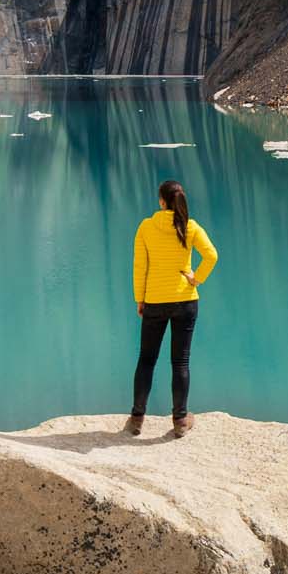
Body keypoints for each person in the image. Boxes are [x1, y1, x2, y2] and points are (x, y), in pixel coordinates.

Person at [124, 179, 217, 437]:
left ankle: (137, 418)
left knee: (146, 359)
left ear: (162, 201)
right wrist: (196, 279)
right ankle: (179, 421)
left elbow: (139, 266)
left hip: (154, 300)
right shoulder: (190, 227)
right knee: (180, 362)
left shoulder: (146, 227)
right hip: (185, 301)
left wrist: (139, 298)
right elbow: (212, 255)